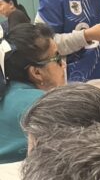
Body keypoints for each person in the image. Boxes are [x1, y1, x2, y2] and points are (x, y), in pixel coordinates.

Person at [0, 23, 65, 163]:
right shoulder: (45, 105)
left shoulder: (7, 94)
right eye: (57, 58)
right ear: (36, 72)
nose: (64, 65)